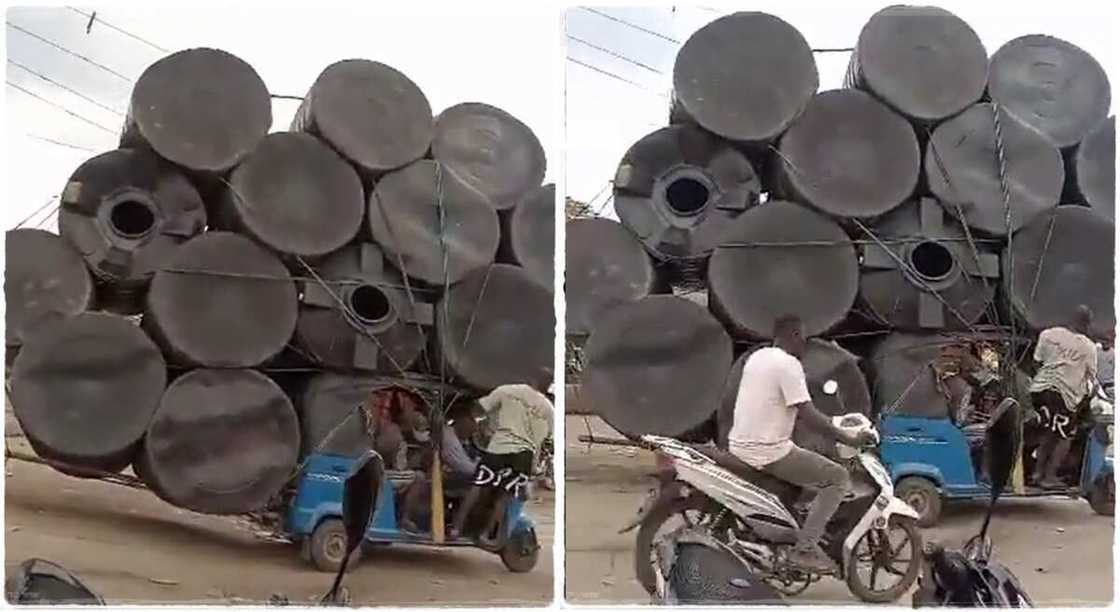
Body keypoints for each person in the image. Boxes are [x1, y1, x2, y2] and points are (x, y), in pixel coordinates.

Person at [727, 314, 876, 573]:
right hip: (767, 451)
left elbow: (779, 403)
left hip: (739, 444)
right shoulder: (788, 365)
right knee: (837, 477)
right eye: (803, 337)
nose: (805, 344)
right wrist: (848, 438)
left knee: (803, 459)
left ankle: (788, 532)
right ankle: (805, 549)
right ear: (794, 335)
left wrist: (826, 420)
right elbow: (809, 416)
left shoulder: (758, 357)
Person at [448, 375, 554, 548]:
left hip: (500, 448)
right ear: (548, 385)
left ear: (532, 379)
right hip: (523, 456)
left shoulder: (508, 390)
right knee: (504, 496)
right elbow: (545, 440)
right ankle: (487, 535)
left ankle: (456, 529)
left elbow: (479, 408)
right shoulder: (548, 409)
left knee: (477, 487)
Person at [1029, 306, 1098, 489]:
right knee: (1066, 435)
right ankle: (1049, 476)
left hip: (1039, 391)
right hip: (1064, 396)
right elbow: (1091, 376)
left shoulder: (1048, 334)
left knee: (1049, 432)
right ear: (1086, 324)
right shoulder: (1088, 347)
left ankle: (1037, 473)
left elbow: (1037, 361)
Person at [398, 403, 482, 533]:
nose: (475, 427)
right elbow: (460, 464)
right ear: (462, 419)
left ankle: (461, 526)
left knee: (473, 486)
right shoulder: (447, 436)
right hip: (425, 472)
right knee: (475, 485)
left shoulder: (466, 441)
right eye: (472, 421)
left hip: (444, 474)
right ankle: (455, 527)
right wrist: (482, 468)